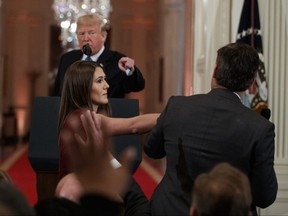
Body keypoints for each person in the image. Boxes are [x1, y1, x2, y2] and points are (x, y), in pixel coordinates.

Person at [144, 42, 278, 216]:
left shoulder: (177, 105)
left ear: (215, 71)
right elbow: (265, 197)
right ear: (252, 82)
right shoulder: (260, 128)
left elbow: (151, 149)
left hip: (167, 209)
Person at [57, 60, 159, 215]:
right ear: (82, 86)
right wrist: (172, 113)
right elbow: (134, 125)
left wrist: (119, 174)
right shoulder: (83, 117)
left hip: (93, 187)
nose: (107, 85)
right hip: (83, 196)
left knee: (136, 196)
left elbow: (107, 158)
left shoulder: (81, 116)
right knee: (139, 201)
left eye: (104, 79)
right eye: (99, 81)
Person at [53, 14, 145, 98]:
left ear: (103, 36)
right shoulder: (67, 59)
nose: (85, 38)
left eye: (91, 33)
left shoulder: (118, 60)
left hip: (106, 114)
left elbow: (137, 86)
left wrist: (130, 70)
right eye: (81, 33)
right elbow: (58, 93)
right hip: (72, 114)